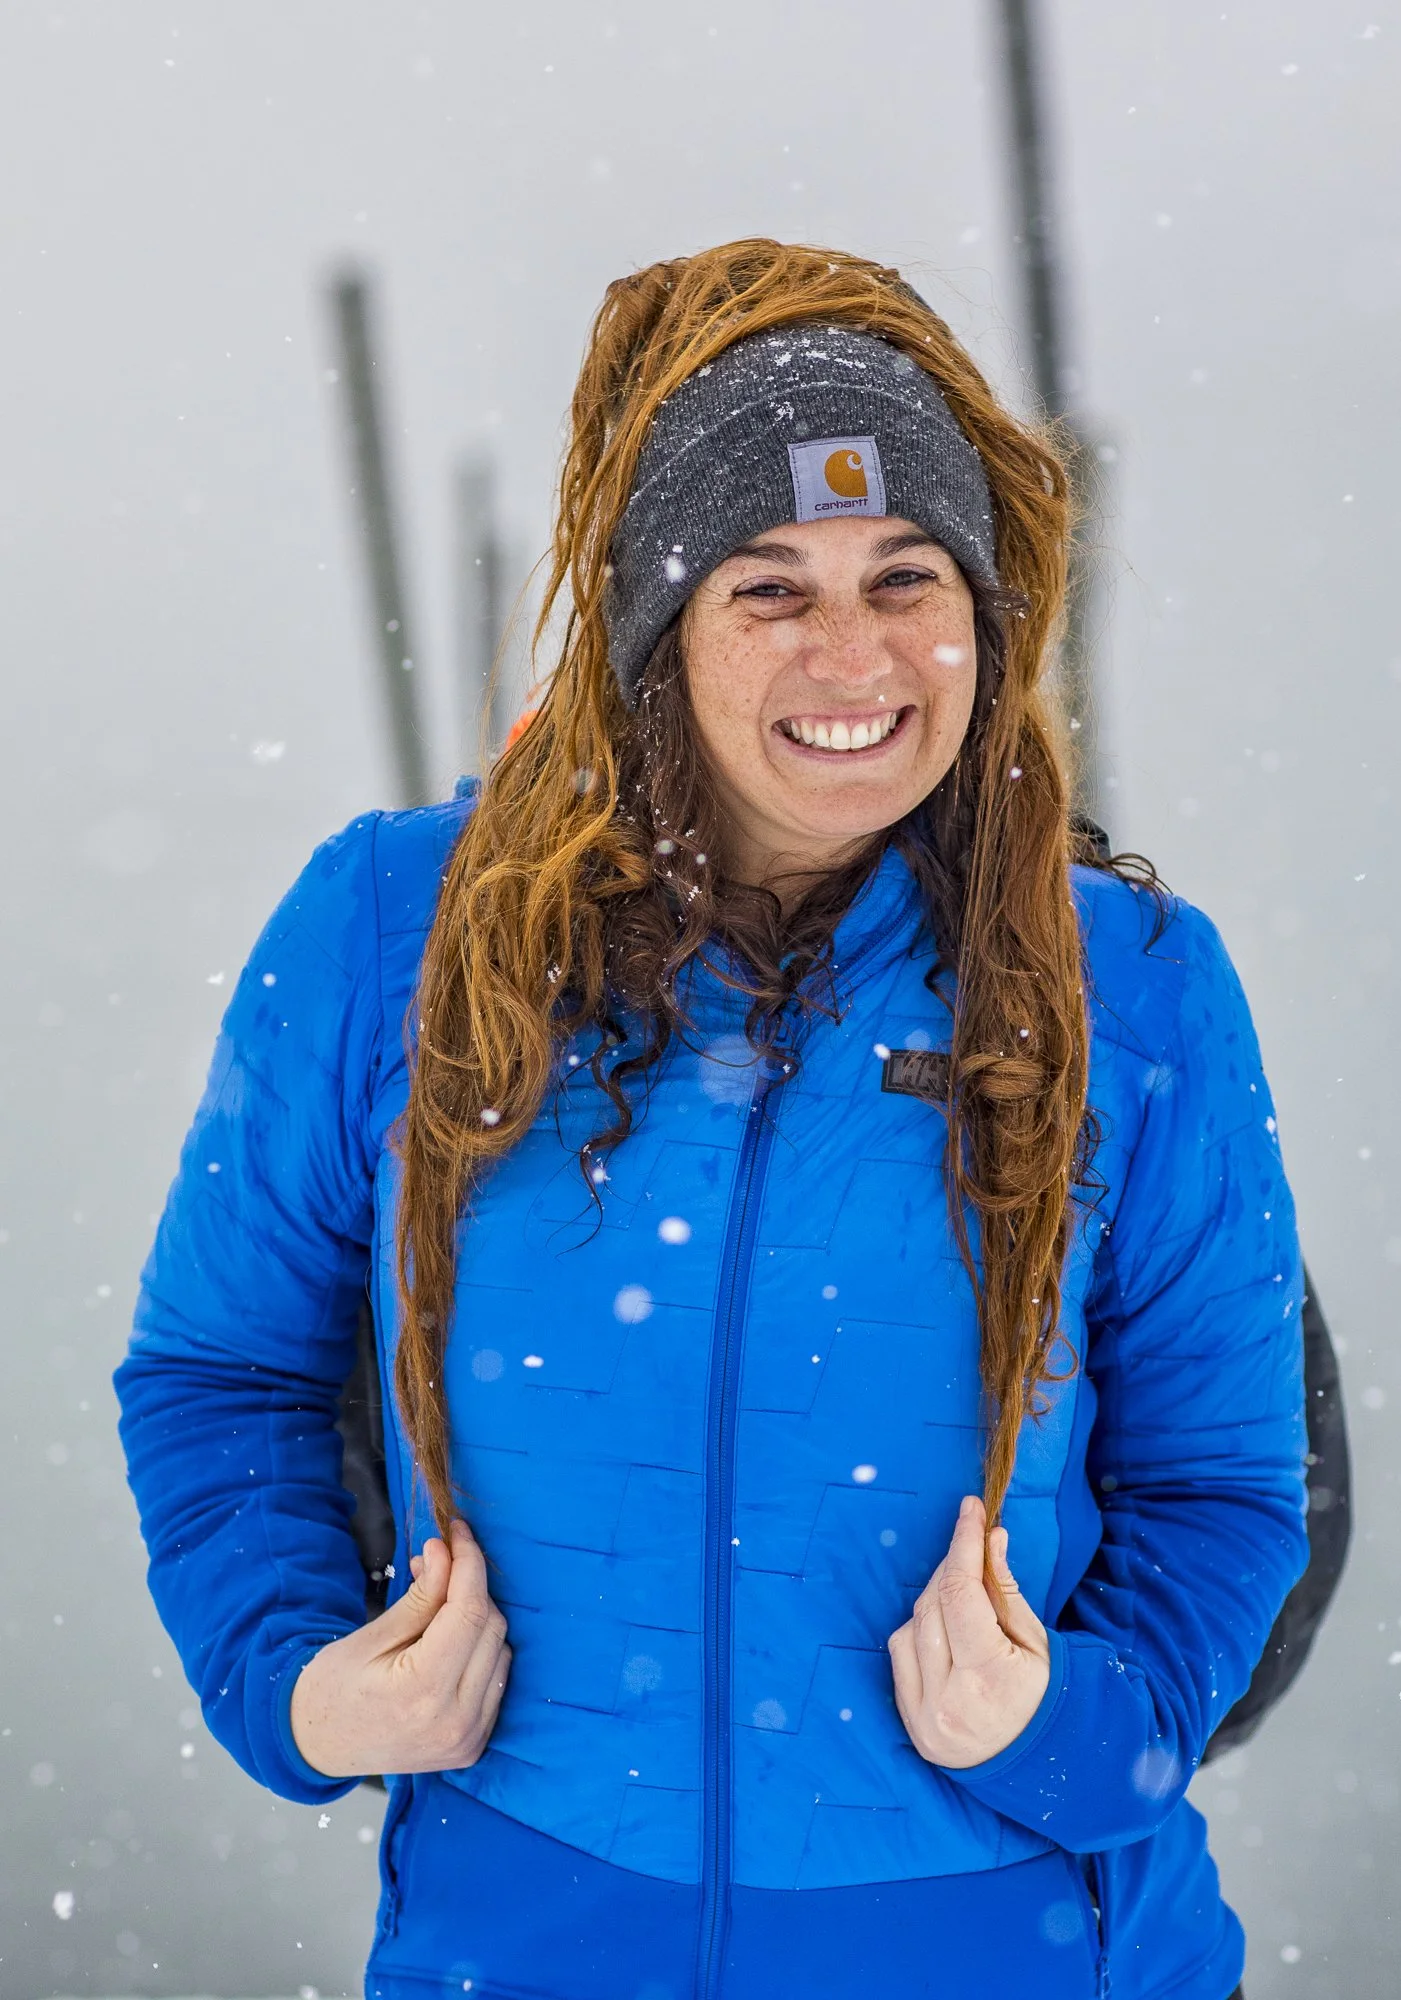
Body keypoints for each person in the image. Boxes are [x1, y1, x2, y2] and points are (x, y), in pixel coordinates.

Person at [116, 238, 1305, 2000]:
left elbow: (1222, 1486)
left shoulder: (1127, 983)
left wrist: (1068, 1735)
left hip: (1022, 1943)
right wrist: (298, 1680)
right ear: (657, 631)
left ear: (987, 611)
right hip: (528, 1938)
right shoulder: (397, 930)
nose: (856, 653)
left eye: (910, 575)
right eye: (768, 586)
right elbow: (220, 1374)